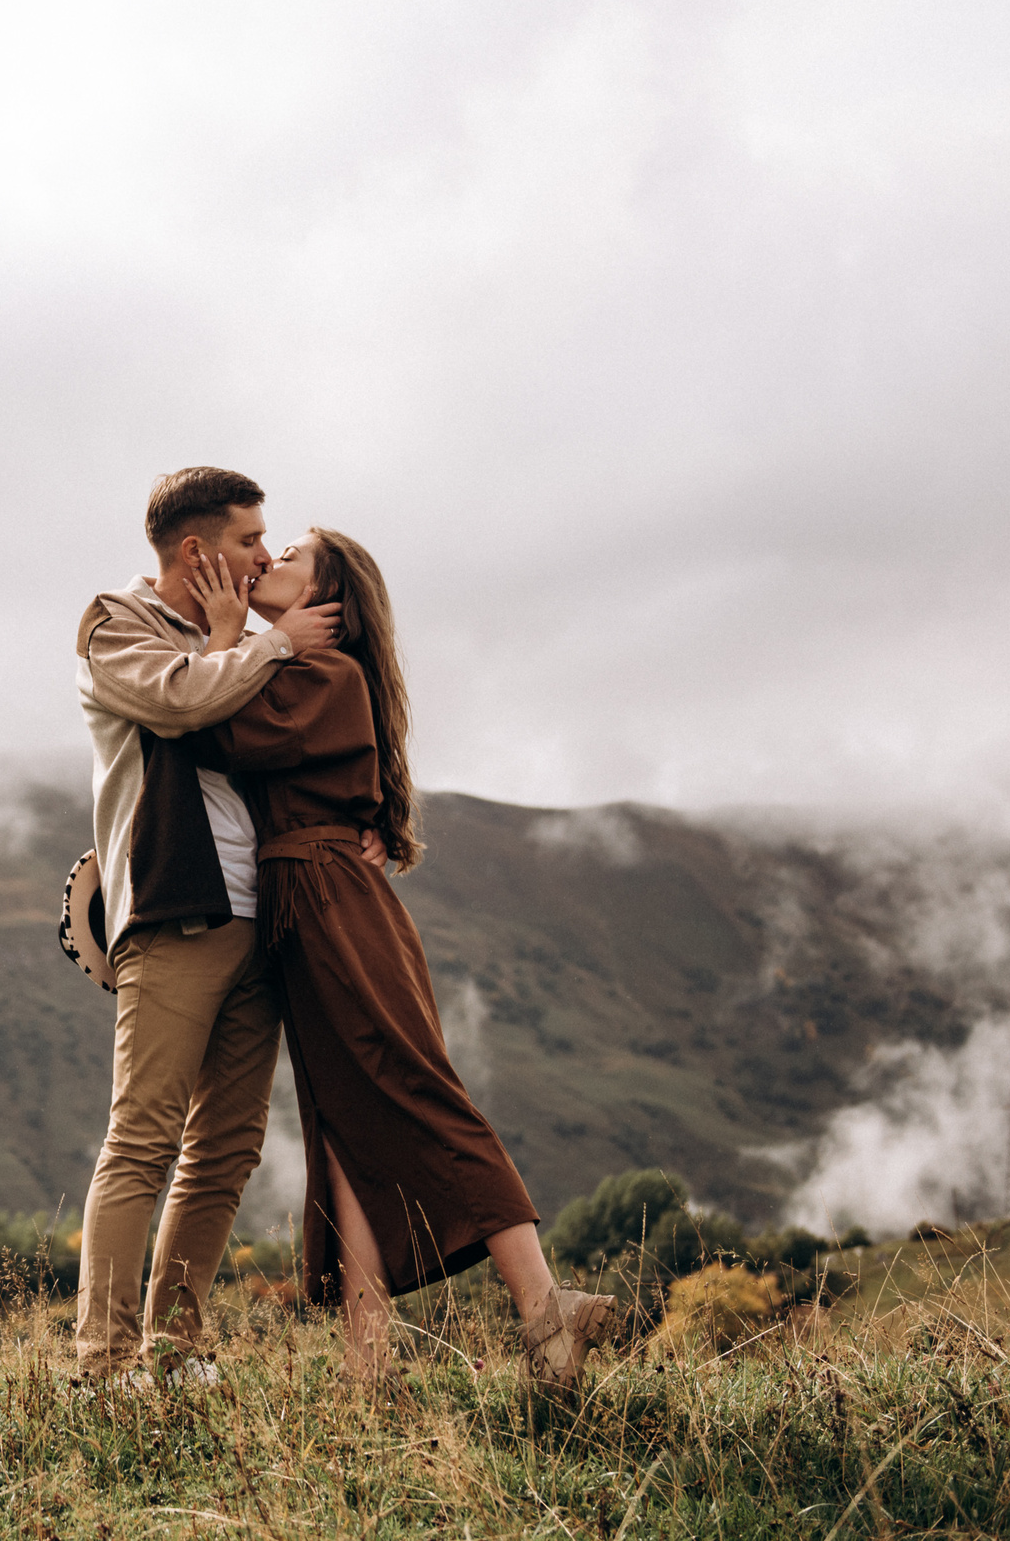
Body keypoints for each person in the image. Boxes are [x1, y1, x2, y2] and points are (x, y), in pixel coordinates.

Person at [181, 528, 615, 1392]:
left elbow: (214, 734)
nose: (266, 562)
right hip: (308, 901)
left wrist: (233, 637)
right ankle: (368, 1358)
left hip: (334, 903)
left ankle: (543, 1304)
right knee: (339, 1123)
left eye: (290, 557)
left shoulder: (325, 675)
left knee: (416, 1089)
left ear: (329, 603)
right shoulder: (298, 670)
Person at [71, 467, 359, 1381]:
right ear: (196, 551)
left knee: (226, 1146)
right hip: (173, 908)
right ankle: (103, 1361)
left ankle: (172, 1346)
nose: (266, 555)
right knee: (144, 1134)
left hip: (262, 913)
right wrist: (265, 644)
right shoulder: (115, 625)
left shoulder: (240, 637)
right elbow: (181, 701)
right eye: (248, 540)